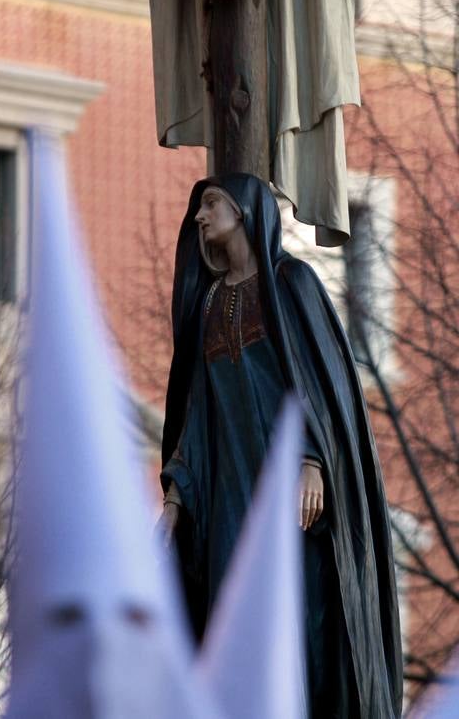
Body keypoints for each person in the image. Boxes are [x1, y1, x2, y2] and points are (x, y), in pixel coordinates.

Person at [158, 173, 403, 719]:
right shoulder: (208, 306)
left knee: (301, 620)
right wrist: (176, 501)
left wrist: (314, 462)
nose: (199, 216)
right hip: (227, 501)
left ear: (245, 209)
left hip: (293, 500)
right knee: (233, 621)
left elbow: (323, 388)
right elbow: (197, 416)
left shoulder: (294, 285)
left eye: (211, 204)